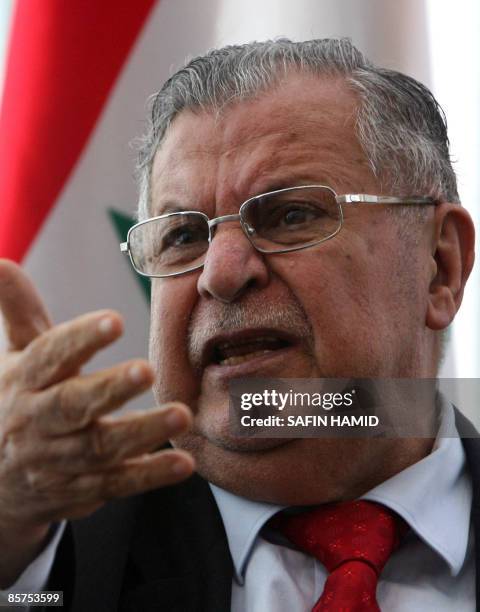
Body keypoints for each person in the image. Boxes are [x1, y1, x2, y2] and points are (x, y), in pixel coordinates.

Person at [0, 38, 477, 611]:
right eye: (182, 236)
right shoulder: (42, 558)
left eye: (290, 215)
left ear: (438, 267)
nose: (220, 275)